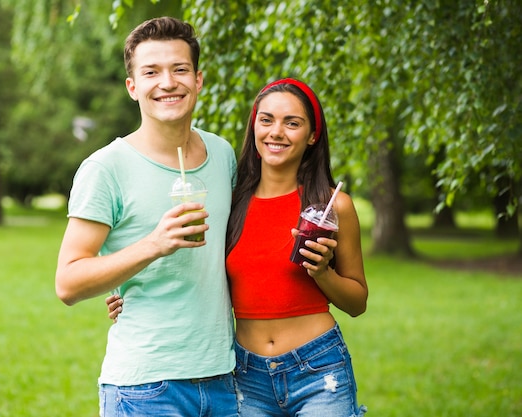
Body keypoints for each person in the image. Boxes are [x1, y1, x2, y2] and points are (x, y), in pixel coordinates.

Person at [109, 78, 369, 416]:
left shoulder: (332, 207)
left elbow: (357, 302)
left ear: (312, 135)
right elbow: (197, 267)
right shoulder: (230, 202)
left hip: (319, 370)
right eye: (267, 120)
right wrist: (132, 295)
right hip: (247, 377)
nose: (277, 132)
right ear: (254, 127)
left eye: (292, 123)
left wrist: (321, 274)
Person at [55, 17, 238, 417]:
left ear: (199, 79)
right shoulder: (105, 168)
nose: (168, 82)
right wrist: (153, 245)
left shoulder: (222, 154)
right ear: (132, 86)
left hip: (225, 379)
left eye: (180, 69)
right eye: (151, 72)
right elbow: (68, 282)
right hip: (145, 388)